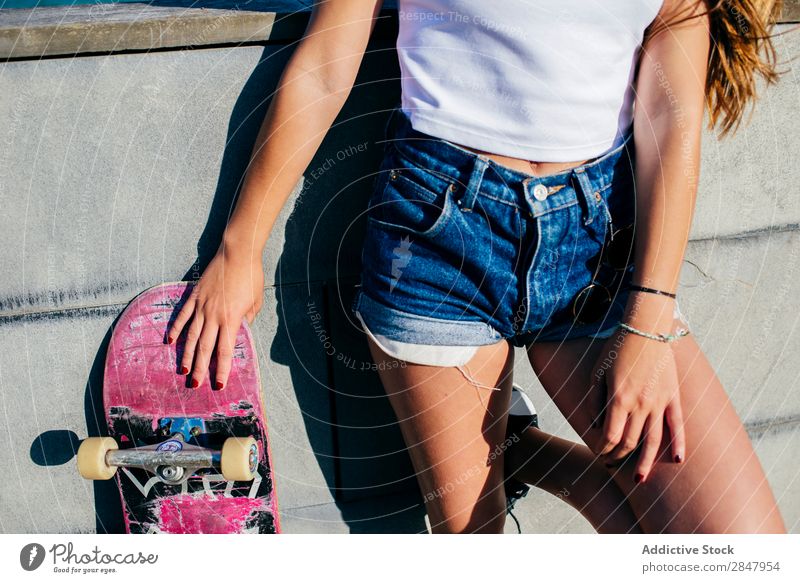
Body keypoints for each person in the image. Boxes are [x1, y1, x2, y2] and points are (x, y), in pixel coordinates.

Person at [167, 0, 788, 534]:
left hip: (598, 251)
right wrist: (239, 248)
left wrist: (648, 319)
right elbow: (326, 66)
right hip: (440, 239)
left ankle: (517, 448)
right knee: (478, 542)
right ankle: (517, 450)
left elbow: (673, 124)